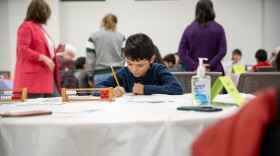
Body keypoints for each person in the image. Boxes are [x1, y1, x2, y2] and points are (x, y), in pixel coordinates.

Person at [95, 33, 184, 97]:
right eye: (129, 63)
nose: (134, 69)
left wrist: (145, 89)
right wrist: (110, 91)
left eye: (140, 65)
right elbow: (96, 89)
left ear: (151, 59)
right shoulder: (124, 73)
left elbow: (177, 88)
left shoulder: (159, 70)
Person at [14, 0, 62, 98]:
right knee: (37, 108)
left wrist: (55, 51)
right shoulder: (26, 27)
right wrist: (44, 58)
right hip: (33, 78)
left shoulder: (39, 28)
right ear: (40, 12)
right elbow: (23, 50)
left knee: (56, 104)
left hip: (46, 76)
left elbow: (40, 49)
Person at [178, 0, 227, 75]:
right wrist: (210, 65)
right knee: (217, 87)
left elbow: (181, 52)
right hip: (215, 71)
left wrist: (196, 66)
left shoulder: (189, 29)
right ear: (211, 10)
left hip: (193, 72)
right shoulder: (219, 28)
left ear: (197, 11)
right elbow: (222, 51)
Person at [86, 13, 126, 87]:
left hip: (100, 75)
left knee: (101, 98)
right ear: (116, 23)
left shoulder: (93, 36)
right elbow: (125, 56)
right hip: (118, 74)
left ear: (103, 22)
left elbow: (90, 59)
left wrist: (90, 76)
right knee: (120, 97)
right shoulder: (121, 36)